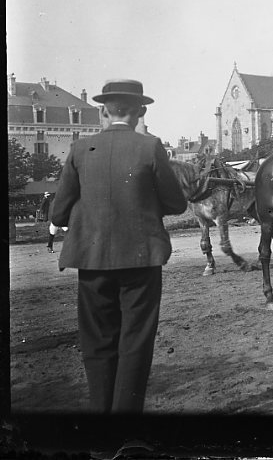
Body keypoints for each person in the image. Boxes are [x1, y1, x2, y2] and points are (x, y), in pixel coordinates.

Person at [51, 79, 188, 413]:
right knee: (135, 342)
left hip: (92, 258)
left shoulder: (81, 148)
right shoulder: (150, 146)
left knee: (97, 341)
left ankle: (101, 421)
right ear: (141, 111)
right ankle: (126, 423)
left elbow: (58, 211)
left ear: (103, 111)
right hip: (141, 258)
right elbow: (176, 203)